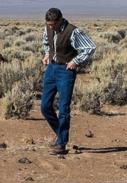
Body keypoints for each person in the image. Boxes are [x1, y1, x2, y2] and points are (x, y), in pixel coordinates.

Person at [40, 8, 97, 156]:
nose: (51, 27)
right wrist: (47, 54)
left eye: (53, 25)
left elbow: (90, 47)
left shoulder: (73, 32)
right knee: (45, 106)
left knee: (63, 109)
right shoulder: (48, 28)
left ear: (60, 20)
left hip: (65, 71)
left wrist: (75, 61)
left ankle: (61, 144)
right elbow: (46, 42)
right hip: (51, 68)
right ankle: (61, 135)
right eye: (49, 25)